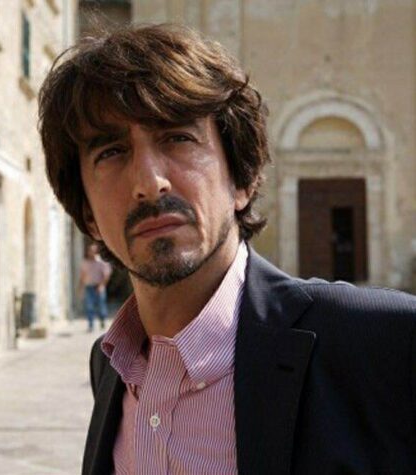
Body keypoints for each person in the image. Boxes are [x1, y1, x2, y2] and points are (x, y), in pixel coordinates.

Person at [38, 24, 416, 475]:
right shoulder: (109, 365)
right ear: (88, 214)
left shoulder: (385, 342)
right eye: (112, 152)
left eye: (177, 138)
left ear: (241, 180)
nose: (149, 183)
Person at [79, 242, 112, 331]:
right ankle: (91, 325)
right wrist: (80, 288)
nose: (91, 252)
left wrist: (101, 285)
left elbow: (106, 275)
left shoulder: (101, 263)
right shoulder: (85, 262)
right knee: (89, 306)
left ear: (97, 252)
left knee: (101, 306)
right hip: (89, 287)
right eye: (90, 251)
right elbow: (82, 276)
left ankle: (102, 320)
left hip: (99, 286)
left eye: (93, 251)